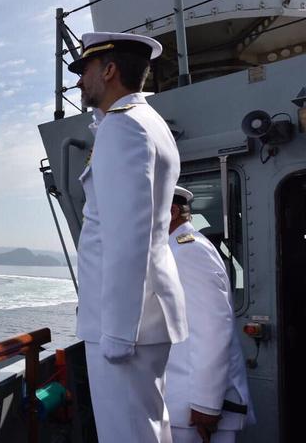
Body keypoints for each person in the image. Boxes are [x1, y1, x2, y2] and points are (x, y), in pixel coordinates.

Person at [69, 32, 187, 442]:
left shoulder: (123, 129)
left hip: (122, 325)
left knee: (129, 435)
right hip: (144, 314)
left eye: (84, 71)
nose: (79, 82)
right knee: (148, 428)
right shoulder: (148, 122)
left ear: (110, 69)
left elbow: (127, 238)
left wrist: (119, 332)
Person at [166, 186, 255, 443]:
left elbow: (213, 329)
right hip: (183, 402)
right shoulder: (177, 249)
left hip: (194, 409)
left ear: (171, 212)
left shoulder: (188, 251)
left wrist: (206, 405)